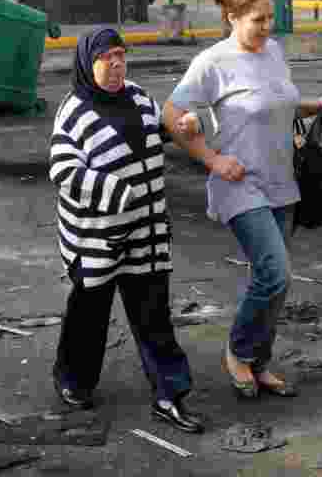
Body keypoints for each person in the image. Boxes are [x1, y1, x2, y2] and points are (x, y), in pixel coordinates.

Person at [162, 0, 322, 401]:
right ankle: (239, 352)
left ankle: (259, 362)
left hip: (282, 182)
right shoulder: (213, 62)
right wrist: (212, 159)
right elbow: (172, 113)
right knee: (274, 271)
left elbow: (276, 102)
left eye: (270, 18)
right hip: (239, 184)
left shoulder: (274, 52)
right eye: (258, 20)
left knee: (274, 279)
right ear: (231, 16)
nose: (267, 28)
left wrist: (318, 105)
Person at [48, 28, 204, 434]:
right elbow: (63, 170)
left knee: (154, 317)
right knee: (88, 315)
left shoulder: (137, 96)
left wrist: (182, 126)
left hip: (147, 235)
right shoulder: (74, 111)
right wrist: (119, 194)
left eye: (121, 55)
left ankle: (171, 394)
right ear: (88, 62)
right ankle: (74, 381)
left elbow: (159, 128)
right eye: (107, 58)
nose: (116, 64)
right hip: (97, 239)